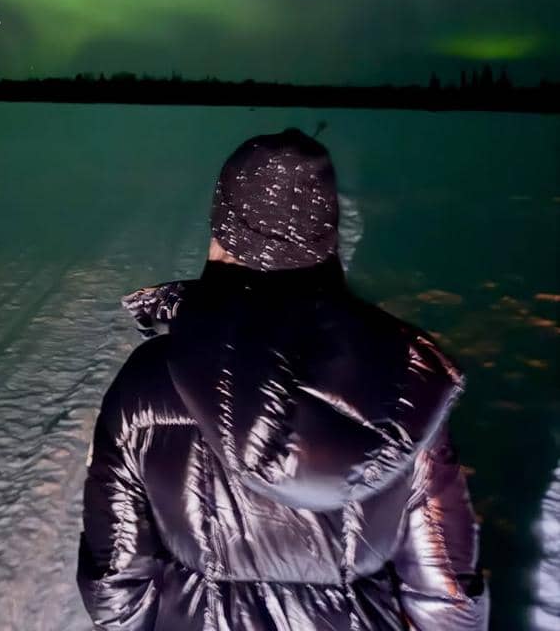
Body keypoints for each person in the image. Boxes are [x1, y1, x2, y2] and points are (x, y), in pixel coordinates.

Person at [77, 127, 489, 629]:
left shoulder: (146, 383)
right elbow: (447, 594)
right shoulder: (400, 384)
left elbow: (114, 585)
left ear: (222, 237)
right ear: (326, 241)